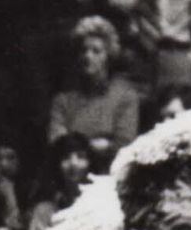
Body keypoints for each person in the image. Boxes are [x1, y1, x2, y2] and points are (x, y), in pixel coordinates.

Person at [46, 16, 144, 160]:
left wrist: (78, 145)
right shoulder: (63, 100)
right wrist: (100, 145)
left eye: (96, 51)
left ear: (108, 56)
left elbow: (124, 146)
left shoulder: (125, 97)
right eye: (83, 50)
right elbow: (57, 143)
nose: (88, 56)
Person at [26, 134, 97, 230]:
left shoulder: (100, 205)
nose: (73, 163)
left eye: (81, 157)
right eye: (66, 158)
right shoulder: (44, 211)